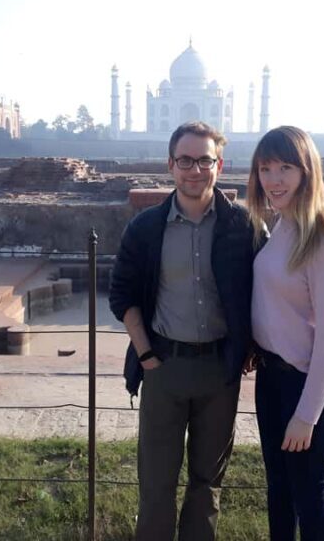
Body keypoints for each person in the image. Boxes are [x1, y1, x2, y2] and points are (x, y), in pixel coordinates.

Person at [109, 121, 259, 541]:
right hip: (164, 367)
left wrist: (249, 346)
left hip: (218, 372)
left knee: (206, 483)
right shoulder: (147, 228)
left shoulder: (241, 227)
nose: (196, 170)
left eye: (205, 160)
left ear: (219, 164)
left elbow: (262, 291)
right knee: (156, 483)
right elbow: (122, 296)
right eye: (186, 160)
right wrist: (145, 356)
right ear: (170, 165)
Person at [247, 126, 324, 540]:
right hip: (272, 377)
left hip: (305, 383)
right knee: (279, 489)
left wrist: (307, 415)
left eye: (285, 168)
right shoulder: (281, 228)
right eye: (265, 168)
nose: (273, 180)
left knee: (308, 495)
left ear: (307, 171)